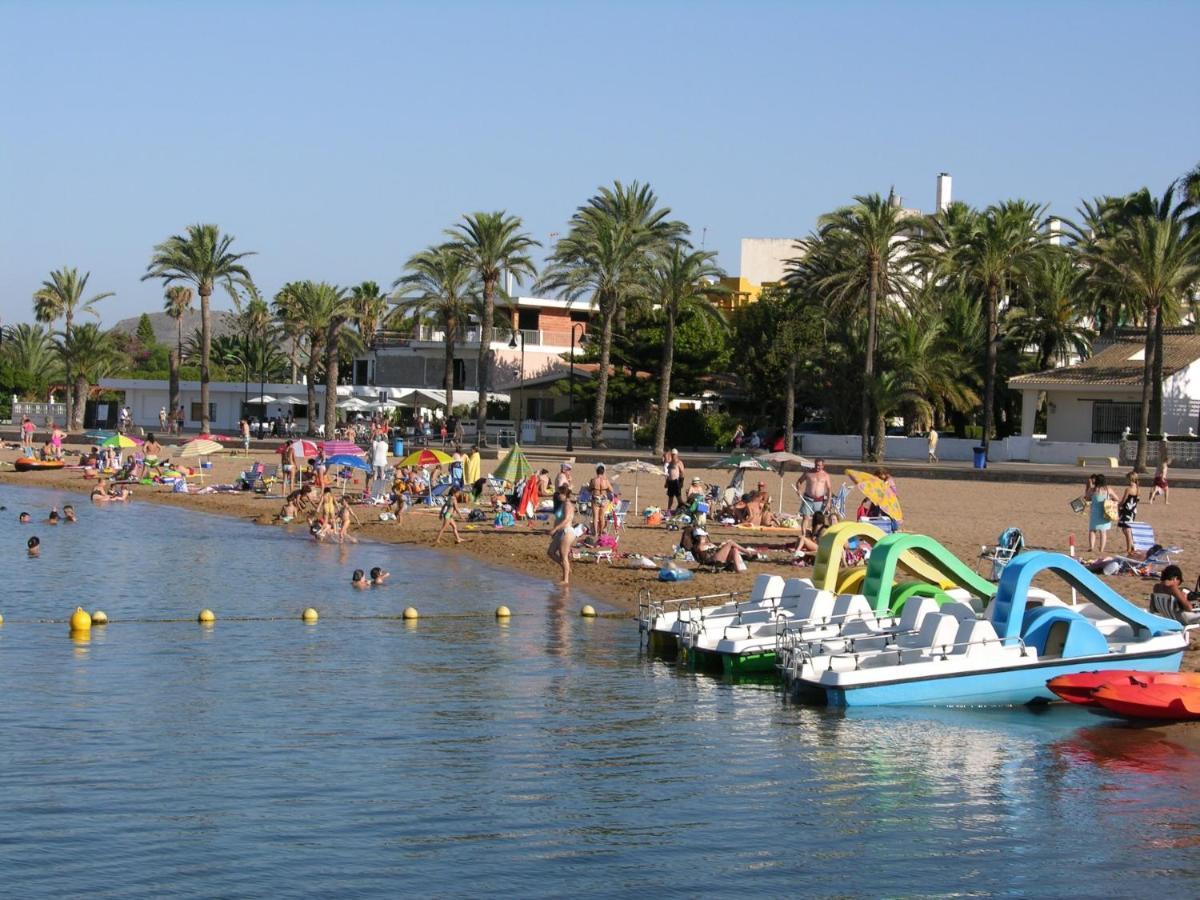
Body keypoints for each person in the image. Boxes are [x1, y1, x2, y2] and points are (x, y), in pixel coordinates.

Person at [680, 526, 750, 573]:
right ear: (699, 537)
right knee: (730, 543)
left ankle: (739, 569)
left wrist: (721, 546)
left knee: (734, 549)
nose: (705, 537)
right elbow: (706, 553)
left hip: (714, 556)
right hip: (712, 559)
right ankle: (746, 552)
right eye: (703, 536)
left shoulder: (704, 544)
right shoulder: (699, 546)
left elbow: (714, 549)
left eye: (704, 536)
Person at [794, 458, 832, 535]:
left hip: (819, 500)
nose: (818, 467)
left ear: (823, 466)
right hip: (808, 498)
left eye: (820, 466)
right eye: (817, 465)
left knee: (819, 519)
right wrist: (799, 490)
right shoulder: (808, 473)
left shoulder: (825, 475)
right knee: (805, 517)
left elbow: (829, 489)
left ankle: (817, 535)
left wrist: (828, 502)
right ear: (814, 464)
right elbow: (799, 481)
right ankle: (804, 535)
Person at [547, 485, 576, 585]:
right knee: (550, 552)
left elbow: (567, 519)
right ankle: (566, 568)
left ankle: (565, 579)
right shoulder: (563, 504)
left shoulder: (567, 504)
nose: (558, 495)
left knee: (564, 556)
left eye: (560, 493)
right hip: (561, 532)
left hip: (566, 532)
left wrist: (555, 529)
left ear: (565, 494)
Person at [1084, 473, 1119, 554]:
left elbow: (1087, 498)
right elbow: (1117, 498)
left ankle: (1091, 547)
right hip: (1105, 512)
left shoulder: (1092, 490)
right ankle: (1101, 549)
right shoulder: (1108, 490)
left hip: (1094, 513)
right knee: (1103, 532)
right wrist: (1110, 501)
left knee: (1092, 530)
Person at [588, 464, 614, 536]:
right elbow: (611, 490)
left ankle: (595, 532)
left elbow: (589, 489)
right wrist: (605, 491)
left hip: (595, 498)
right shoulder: (606, 480)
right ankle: (600, 533)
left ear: (597, 472)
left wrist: (594, 489)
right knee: (602, 517)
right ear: (603, 472)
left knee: (595, 517)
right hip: (603, 498)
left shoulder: (593, 480)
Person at [1117, 471, 1140, 554]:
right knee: (1126, 529)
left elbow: (1123, 501)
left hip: (1127, 510)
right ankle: (1132, 545)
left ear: (1130, 479)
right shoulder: (1138, 489)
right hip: (1133, 511)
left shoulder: (1128, 489)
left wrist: (1117, 505)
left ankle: (1129, 548)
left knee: (1127, 530)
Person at [664, 449, 685, 513]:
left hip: (676, 482)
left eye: (674, 455)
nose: (673, 456)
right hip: (670, 482)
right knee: (670, 497)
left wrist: (681, 482)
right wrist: (666, 482)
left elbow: (682, 473)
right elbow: (668, 473)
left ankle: (683, 508)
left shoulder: (679, 462)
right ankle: (669, 510)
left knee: (679, 497)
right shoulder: (670, 463)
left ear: (677, 455)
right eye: (672, 455)